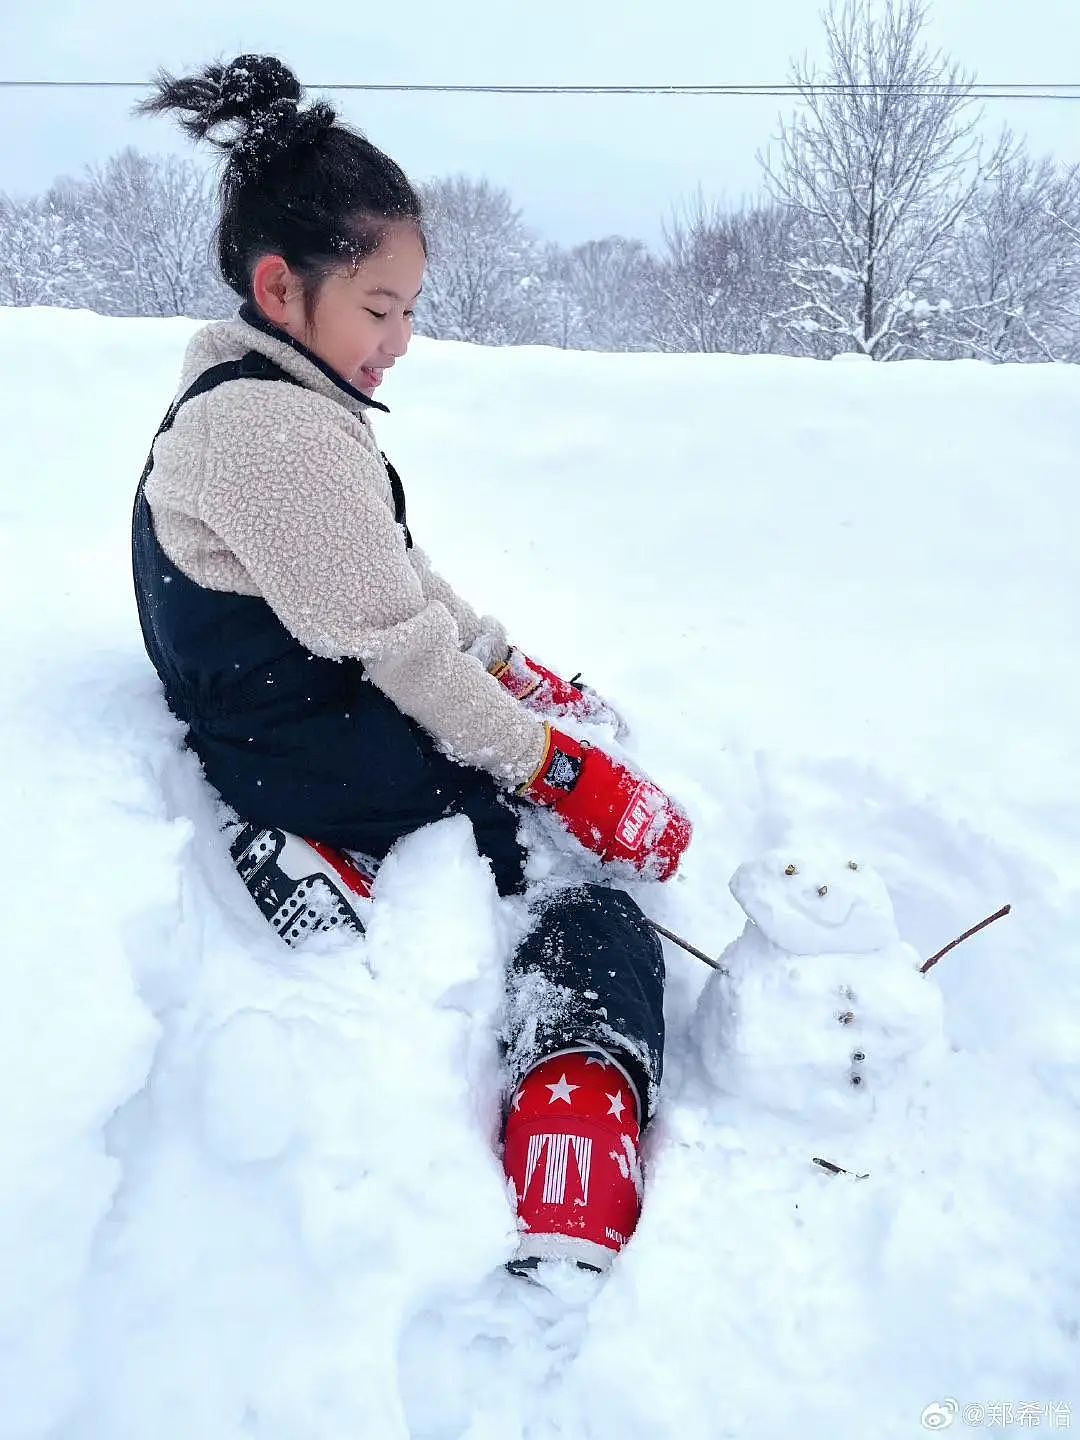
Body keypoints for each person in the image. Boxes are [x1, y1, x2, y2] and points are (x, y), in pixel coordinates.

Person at [130, 54, 692, 1275]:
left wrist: (517, 666)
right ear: (284, 288)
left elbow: (399, 580)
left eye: (409, 309)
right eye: (379, 309)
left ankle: (327, 842)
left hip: (282, 717)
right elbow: (403, 647)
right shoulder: (276, 434)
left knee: (521, 792)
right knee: (565, 882)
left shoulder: (262, 399)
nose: (401, 341)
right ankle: (571, 1093)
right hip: (310, 745)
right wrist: (563, 773)